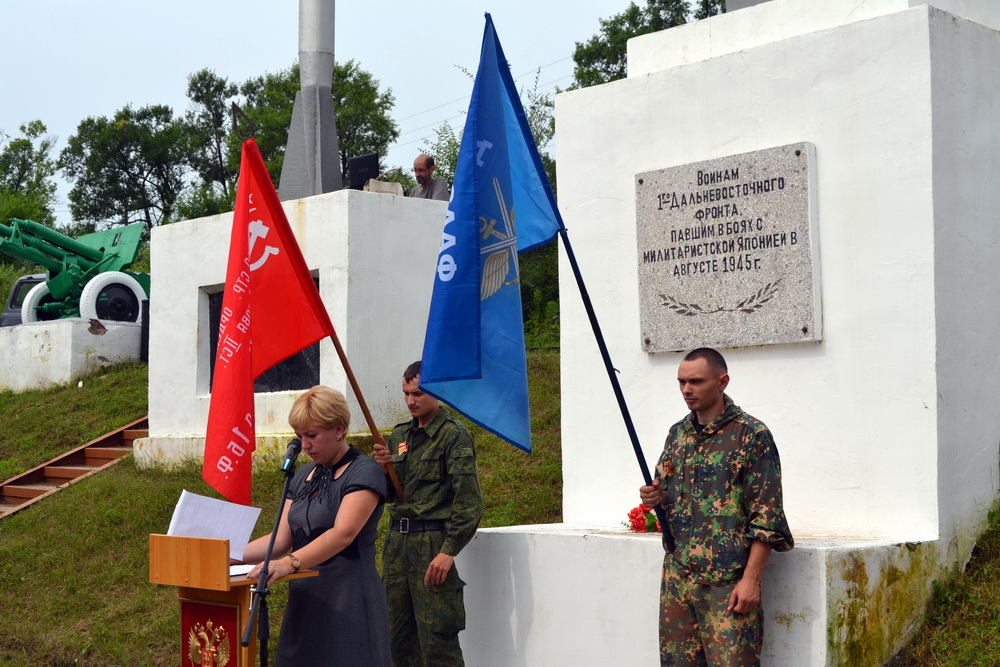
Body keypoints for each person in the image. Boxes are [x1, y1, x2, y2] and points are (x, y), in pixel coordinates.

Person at [638, 348, 793, 666]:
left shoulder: (751, 436)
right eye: (681, 381)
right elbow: (664, 488)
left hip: (727, 586)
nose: (686, 390)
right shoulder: (677, 434)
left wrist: (751, 580)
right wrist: (655, 498)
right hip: (679, 582)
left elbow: (767, 514)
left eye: (695, 381)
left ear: (722, 382)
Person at [242, 385, 391, 666]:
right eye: (299, 436)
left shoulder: (365, 471)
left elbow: (342, 534)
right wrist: (229, 553)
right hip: (306, 597)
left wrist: (289, 564)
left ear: (339, 429)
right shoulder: (302, 475)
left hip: (348, 599)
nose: (305, 444)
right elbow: (281, 538)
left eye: (312, 435)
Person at [372, 361, 483, 666]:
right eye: (406, 393)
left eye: (418, 393)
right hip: (398, 547)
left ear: (437, 391)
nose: (410, 401)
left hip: (432, 544)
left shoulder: (453, 436)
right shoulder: (399, 436)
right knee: (396, 639)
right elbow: (391, 495)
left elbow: (469, 501)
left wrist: (449, 550)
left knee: (437, 642)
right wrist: (384, 469)